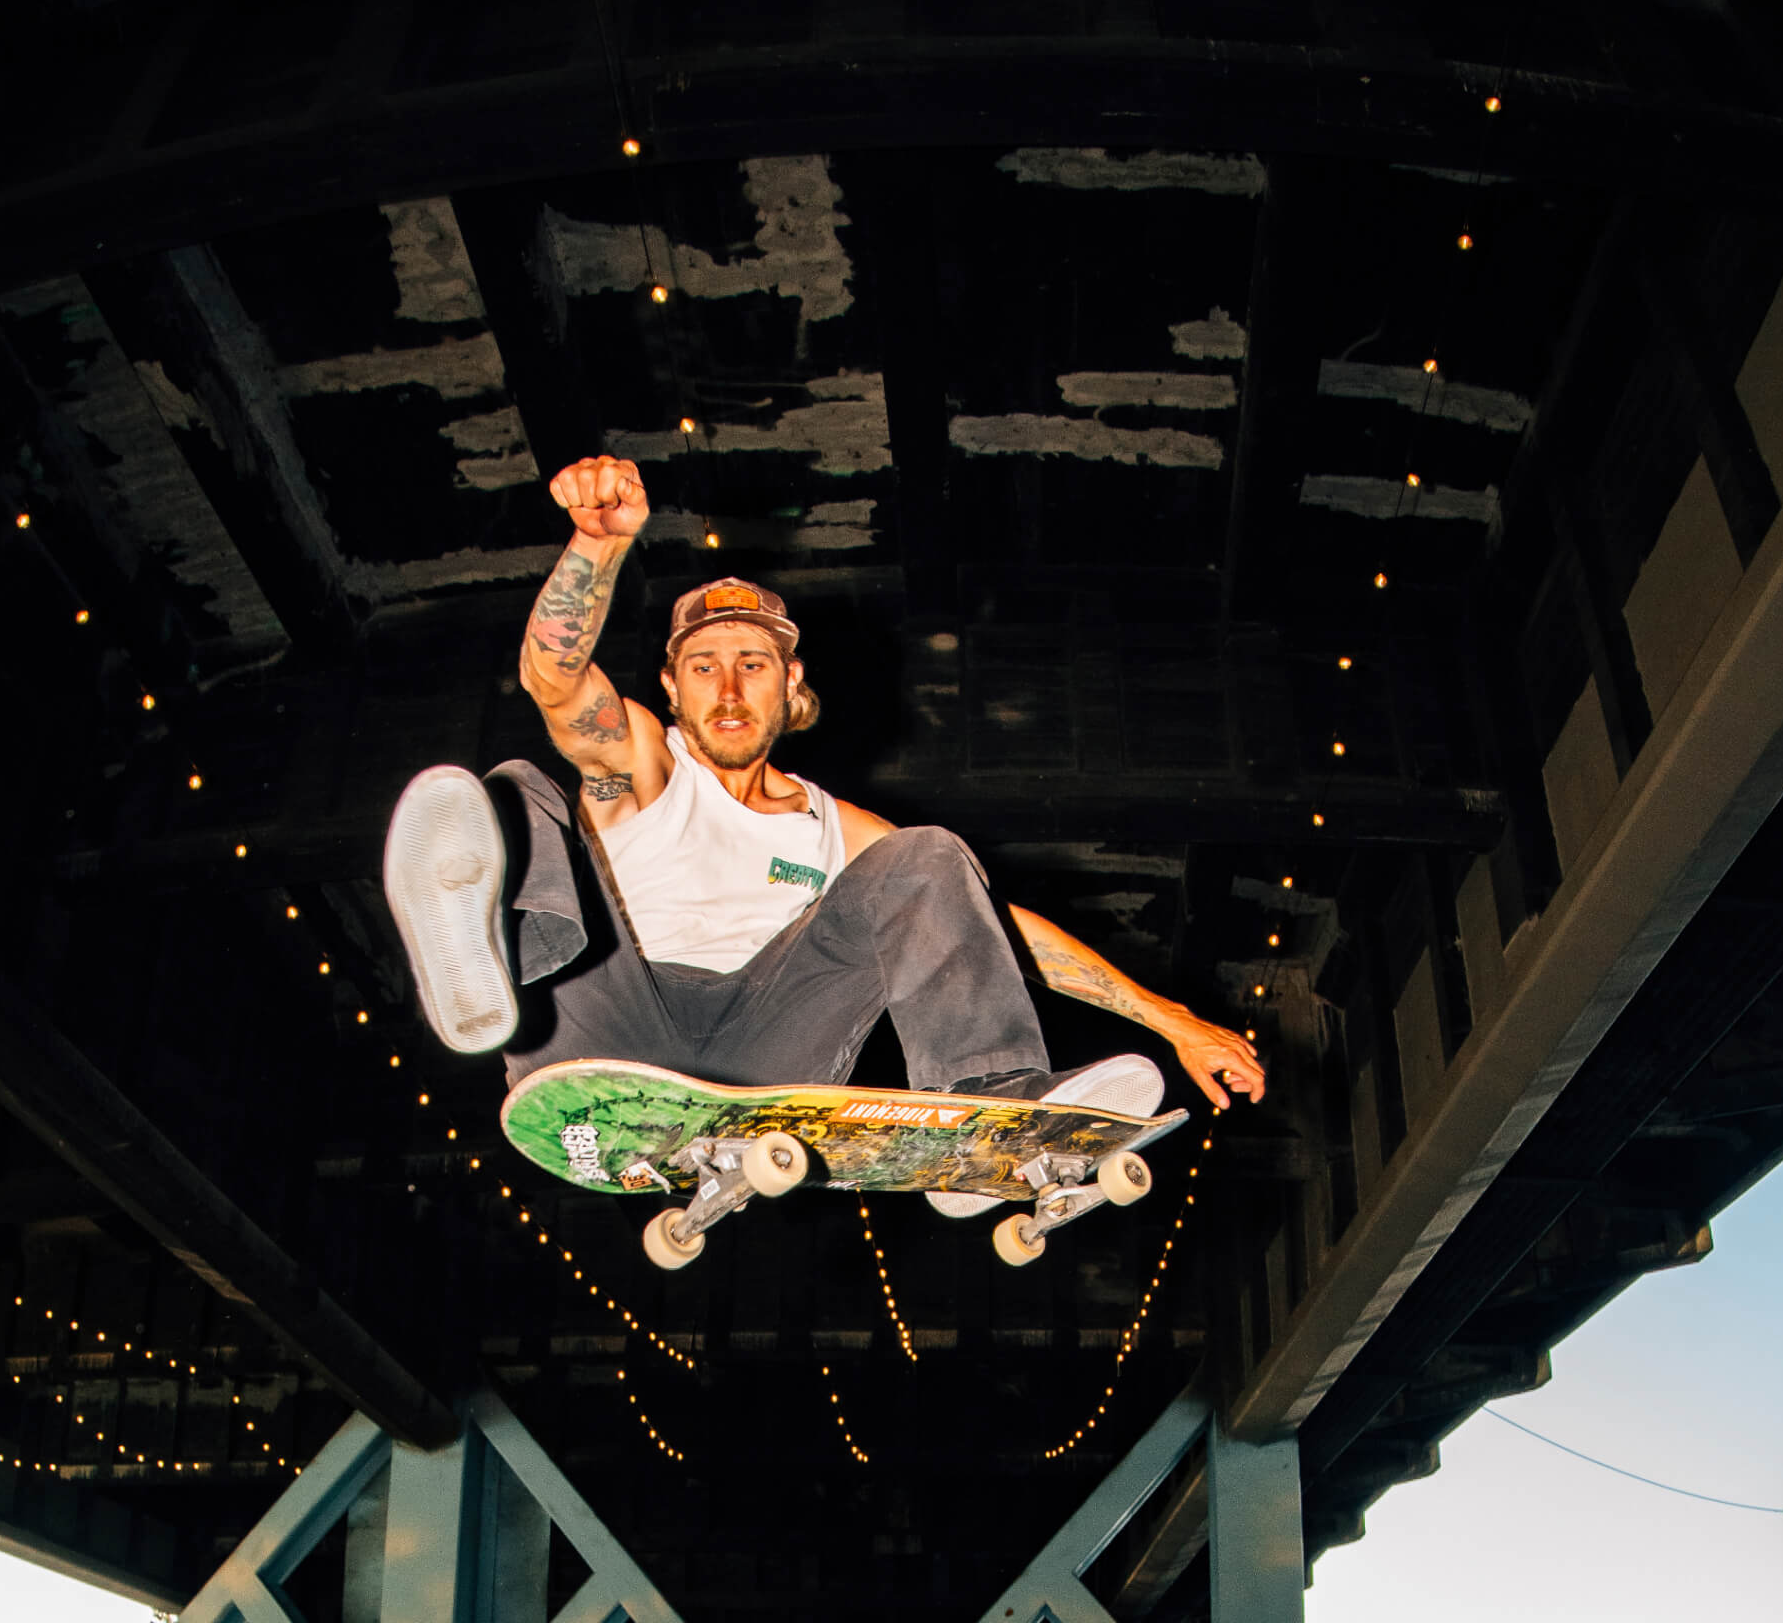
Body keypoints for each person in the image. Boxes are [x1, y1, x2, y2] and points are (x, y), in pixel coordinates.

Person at [382, 455, 1267, 1125]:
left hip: (761, 1050)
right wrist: (599, 544)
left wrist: (1172, 1019)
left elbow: (994, 933)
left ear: (789, 683)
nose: (728, 692)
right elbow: (556, 678)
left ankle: (988, 1106)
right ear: (670, 687)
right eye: (703, 668)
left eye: (752, 666)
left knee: (928, 857)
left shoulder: (830, 826)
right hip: (602, 1020)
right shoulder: (640, 765)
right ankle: (490, 963)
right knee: (514, 791)